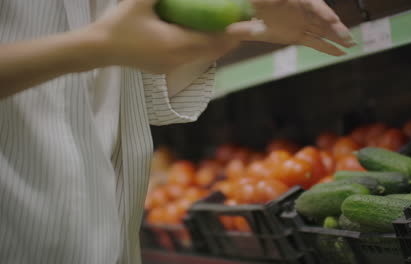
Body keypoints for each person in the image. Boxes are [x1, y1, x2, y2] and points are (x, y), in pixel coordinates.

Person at [0, 0, 355, 263]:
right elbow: (101, 49)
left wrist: (246, 20)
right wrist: (94, 47)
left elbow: (132, 96)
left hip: (111, 241)